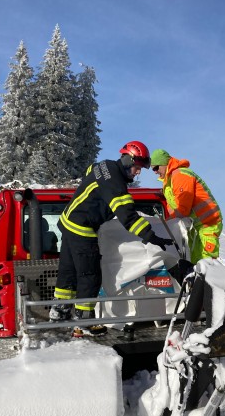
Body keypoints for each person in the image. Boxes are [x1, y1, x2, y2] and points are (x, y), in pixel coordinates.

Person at [50, 141, 172, 332]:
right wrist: (152, 236)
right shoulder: (115, 182)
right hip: (82, 227)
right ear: (126, 159)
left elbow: (89, 172)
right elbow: (128, 216)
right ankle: (85, 320)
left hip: (68, 222)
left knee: (69, 270)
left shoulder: (104, 165)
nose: (138, 172)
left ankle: (59, 311)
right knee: (90, 274)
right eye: (136, 167)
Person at [149, 149, 222, 263]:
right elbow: (172, 207)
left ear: (163, 163)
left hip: (207, 224)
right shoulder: (168, 182)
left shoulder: (180, 175)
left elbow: (183, 209)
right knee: (195, 262)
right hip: (195, 226)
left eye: (156, 167)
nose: (154, 171)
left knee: (206, 263)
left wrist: (165, 225)